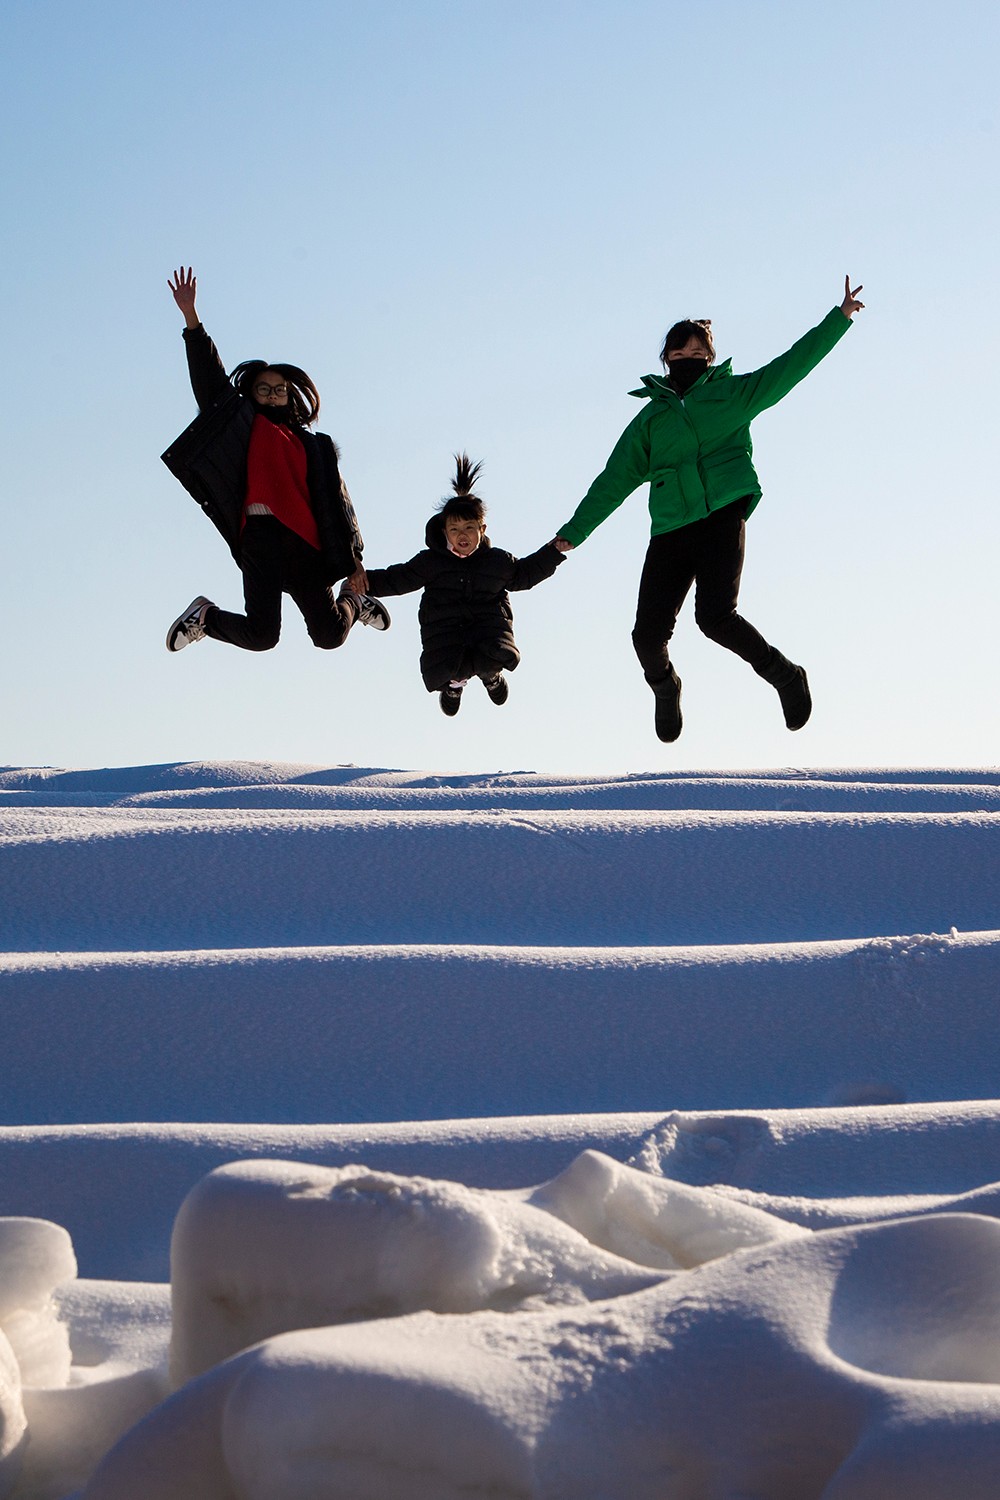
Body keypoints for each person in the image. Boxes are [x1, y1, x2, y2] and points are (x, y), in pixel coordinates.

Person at [553, 276, 865, 742]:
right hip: (671, 528)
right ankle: (665, 687)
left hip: (721, 513)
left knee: (715, 617)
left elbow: (789, 368)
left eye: (697, 355)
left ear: (709, 359)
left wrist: (837, 320)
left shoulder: (733, 395)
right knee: (646, 637)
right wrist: (572, 534)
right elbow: (612, 481)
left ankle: (785, 675)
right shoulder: (650, 421)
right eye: (678, 356)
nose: (687, 362)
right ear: (665, 361)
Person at [161, 266, 389, 654]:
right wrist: (192, 321)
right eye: (262, 389)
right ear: (251, 394)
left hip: (308, 545)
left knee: (330, 635)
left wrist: (355, 561)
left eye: (278, 390)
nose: (271, 395)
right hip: (260, 538)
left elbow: (339, 505)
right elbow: (209, 380)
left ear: (290, 397)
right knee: (262, 636)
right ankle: (205, 618)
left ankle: (354, 600)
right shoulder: (242, 424)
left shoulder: (315, 446)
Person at [363, 454, 563, 716]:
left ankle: (491, 674)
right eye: (455, 529)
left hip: (487, 624)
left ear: (482, 529)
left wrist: (553, 552)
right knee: (448, 662)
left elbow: (525, 574)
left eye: (469, 527)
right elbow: (398, 578)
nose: (463, 535)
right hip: (444, 626)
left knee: (494, 652)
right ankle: (453, 686)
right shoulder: (431, 562)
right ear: (445, 532)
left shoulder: (497, 561)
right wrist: (364, 581)